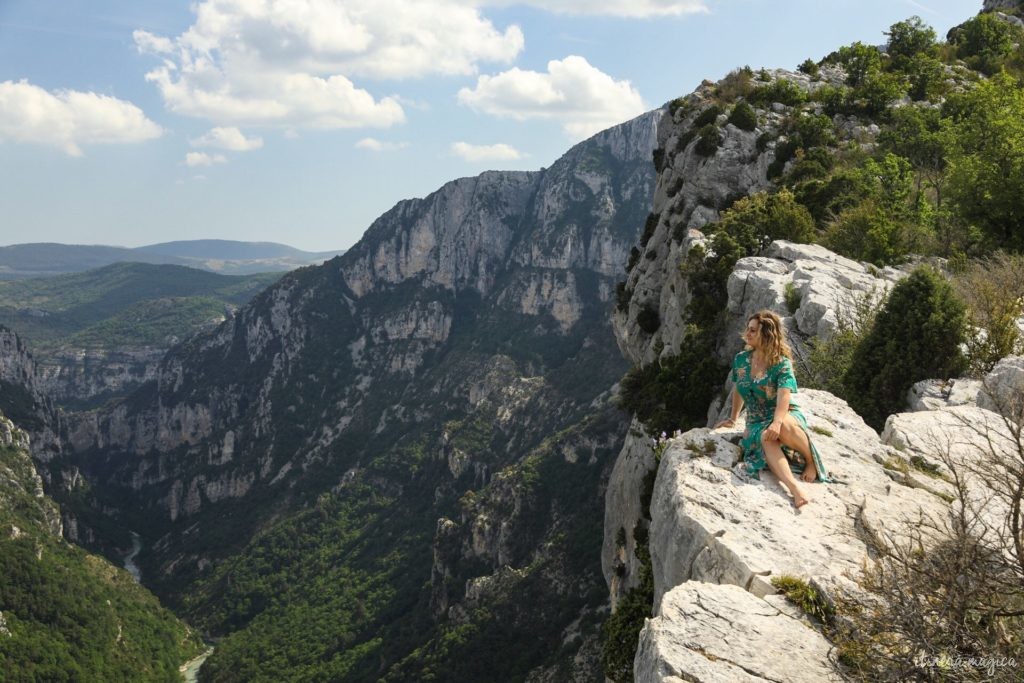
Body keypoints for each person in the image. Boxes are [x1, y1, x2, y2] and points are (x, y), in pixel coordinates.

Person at [714, 309, 830, 508]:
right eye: (748, 329)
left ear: (766, 335)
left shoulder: (781, 364)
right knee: (766, 438)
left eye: (753, 330)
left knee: (782, 426)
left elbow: (784, 395)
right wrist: (733, 418)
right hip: (756, 420)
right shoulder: (741, 359)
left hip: (783, 413)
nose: (747, 333)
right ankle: (795, 489)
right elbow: (739, 389)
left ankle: (811, 461)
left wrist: (776, 422)